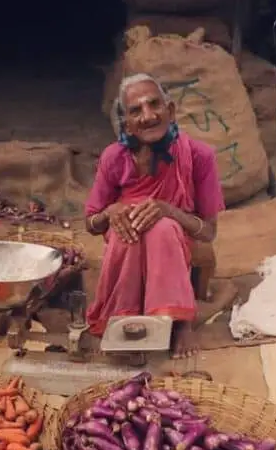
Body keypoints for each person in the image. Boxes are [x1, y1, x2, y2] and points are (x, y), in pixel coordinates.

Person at [83, 73, 225, 358]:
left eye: (154, 105)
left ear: (170, 111)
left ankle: (179, 321)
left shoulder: (199, 155)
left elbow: (209, 232)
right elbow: (90, 222)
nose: (148, 116)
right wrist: (111, 212)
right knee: (131, 231)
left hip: (175, 233)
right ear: (127, 124)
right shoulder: (114, 157)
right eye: (136, 111)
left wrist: (167, 210)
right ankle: (126, 317)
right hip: (126, 233)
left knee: (161, 229)